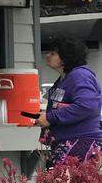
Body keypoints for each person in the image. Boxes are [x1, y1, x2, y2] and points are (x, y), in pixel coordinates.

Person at [38, 36, 102, 165]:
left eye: (53, 53)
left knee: (69, 178)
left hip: (82, 141)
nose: (48, 55)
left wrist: (50, 118)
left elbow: (86, 106)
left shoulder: (80, 75)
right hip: (67, 141)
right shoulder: (63, 79)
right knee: (56, 177)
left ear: (66, 58)